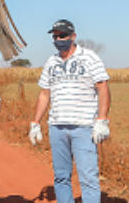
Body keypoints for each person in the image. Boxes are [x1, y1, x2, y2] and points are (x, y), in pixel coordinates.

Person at [29, 19, 110, 203]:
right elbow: (44, 93)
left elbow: (103, 87)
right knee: (61, 177)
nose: (59, 39)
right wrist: (35, 123)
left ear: (73, 36)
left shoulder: (89, 57)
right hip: (57, 127)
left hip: (83, 127)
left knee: (88, 178)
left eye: (63, 35)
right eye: (55, 36)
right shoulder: (51, 61)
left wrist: (102, 120)